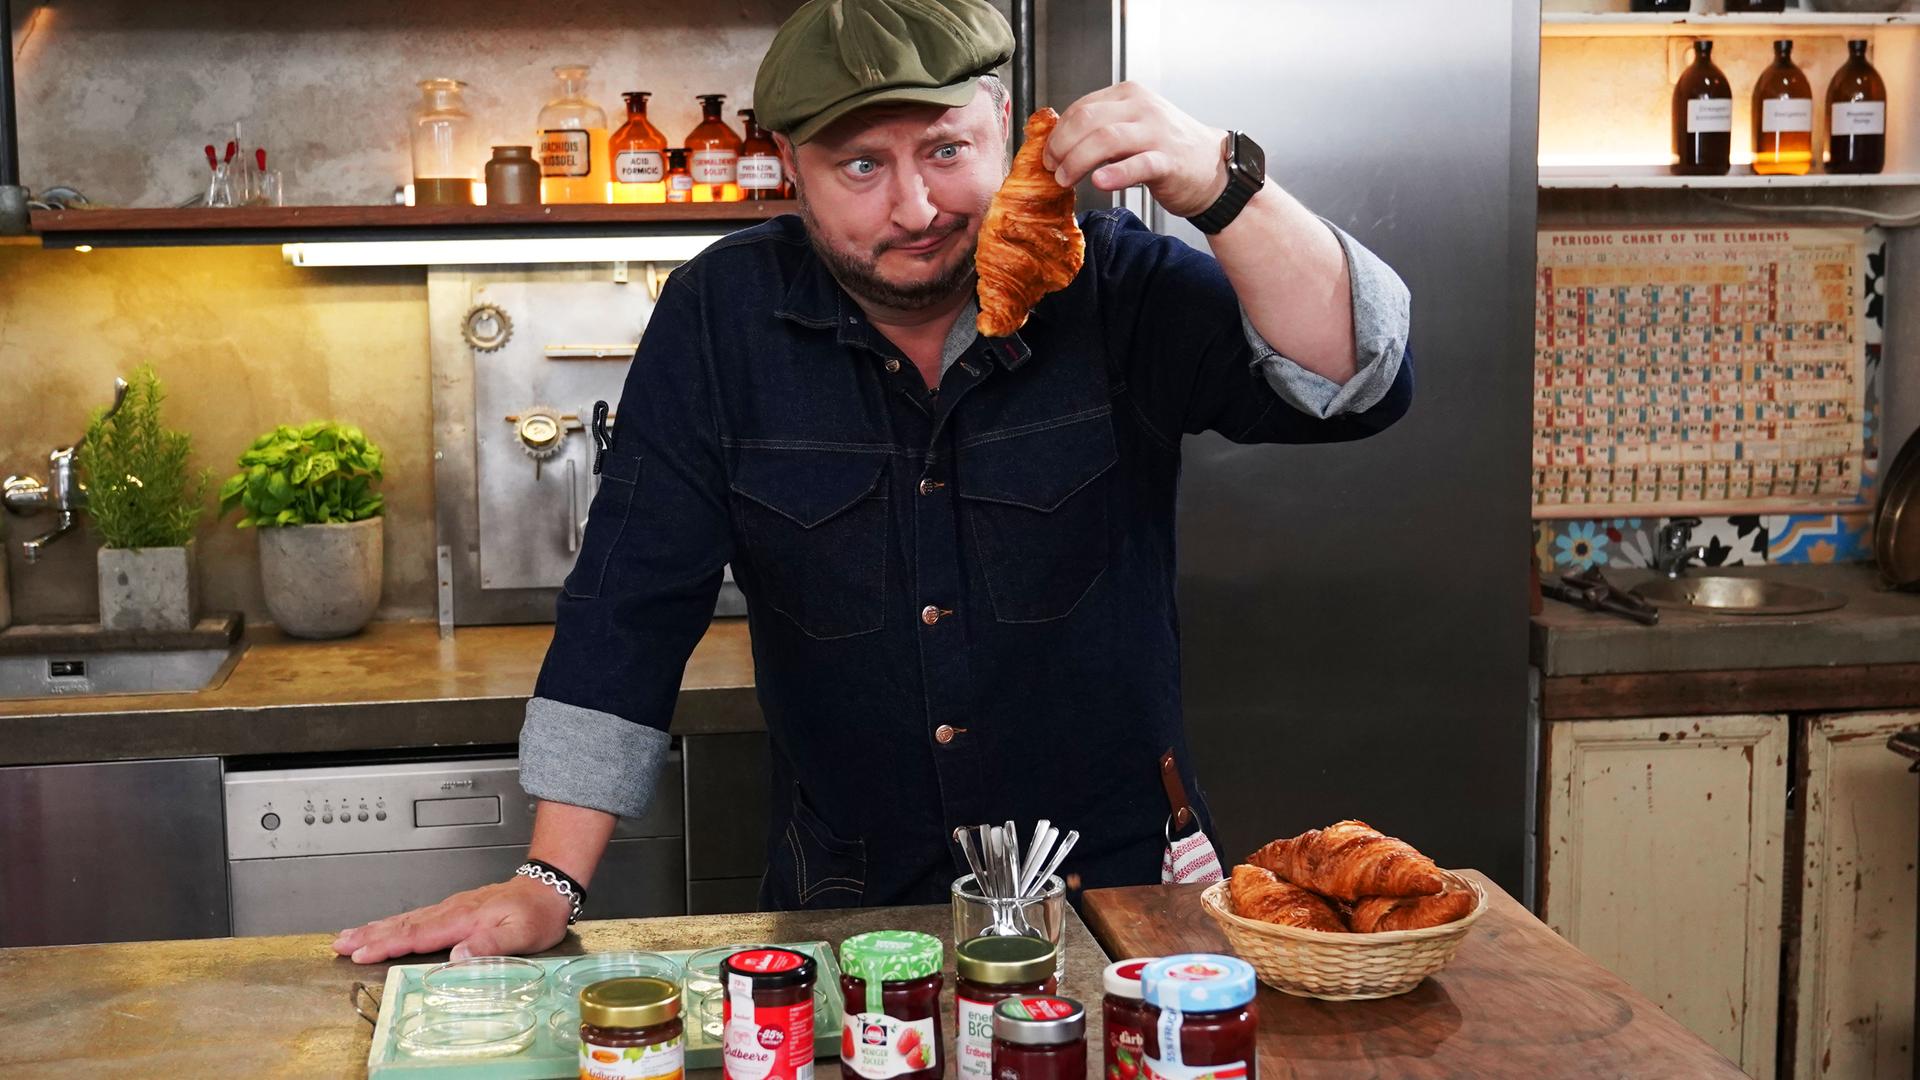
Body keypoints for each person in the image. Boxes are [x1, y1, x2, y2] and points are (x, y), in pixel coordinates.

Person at [334, 0, 1411, 965]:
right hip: (846, 904)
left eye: (947, 150)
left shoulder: (1112, 278)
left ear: (1004, 123)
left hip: (1119, 894)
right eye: (861, 167)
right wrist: (548, 881)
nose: (916, 207)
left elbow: (1357, 381)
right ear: (788, 168)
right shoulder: (721, 318)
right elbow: (629, 604)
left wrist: (1225, 184)